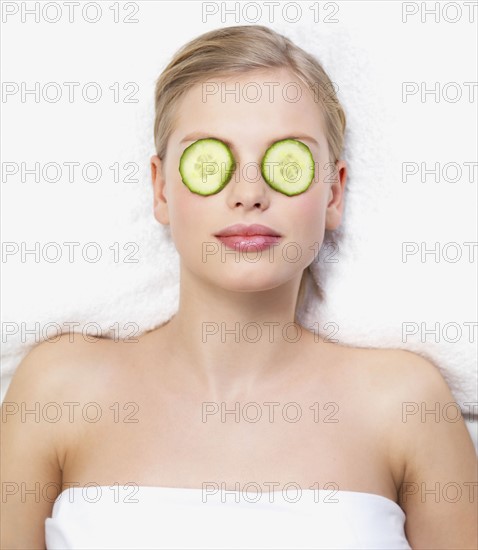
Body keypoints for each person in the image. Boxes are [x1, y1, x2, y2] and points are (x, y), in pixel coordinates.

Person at [1, 24, 476, 550]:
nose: (249, 193)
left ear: (333, 192)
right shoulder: (58, 390)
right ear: (161, 189)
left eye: (286, 162)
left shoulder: (405, 402)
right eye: (210, 160)